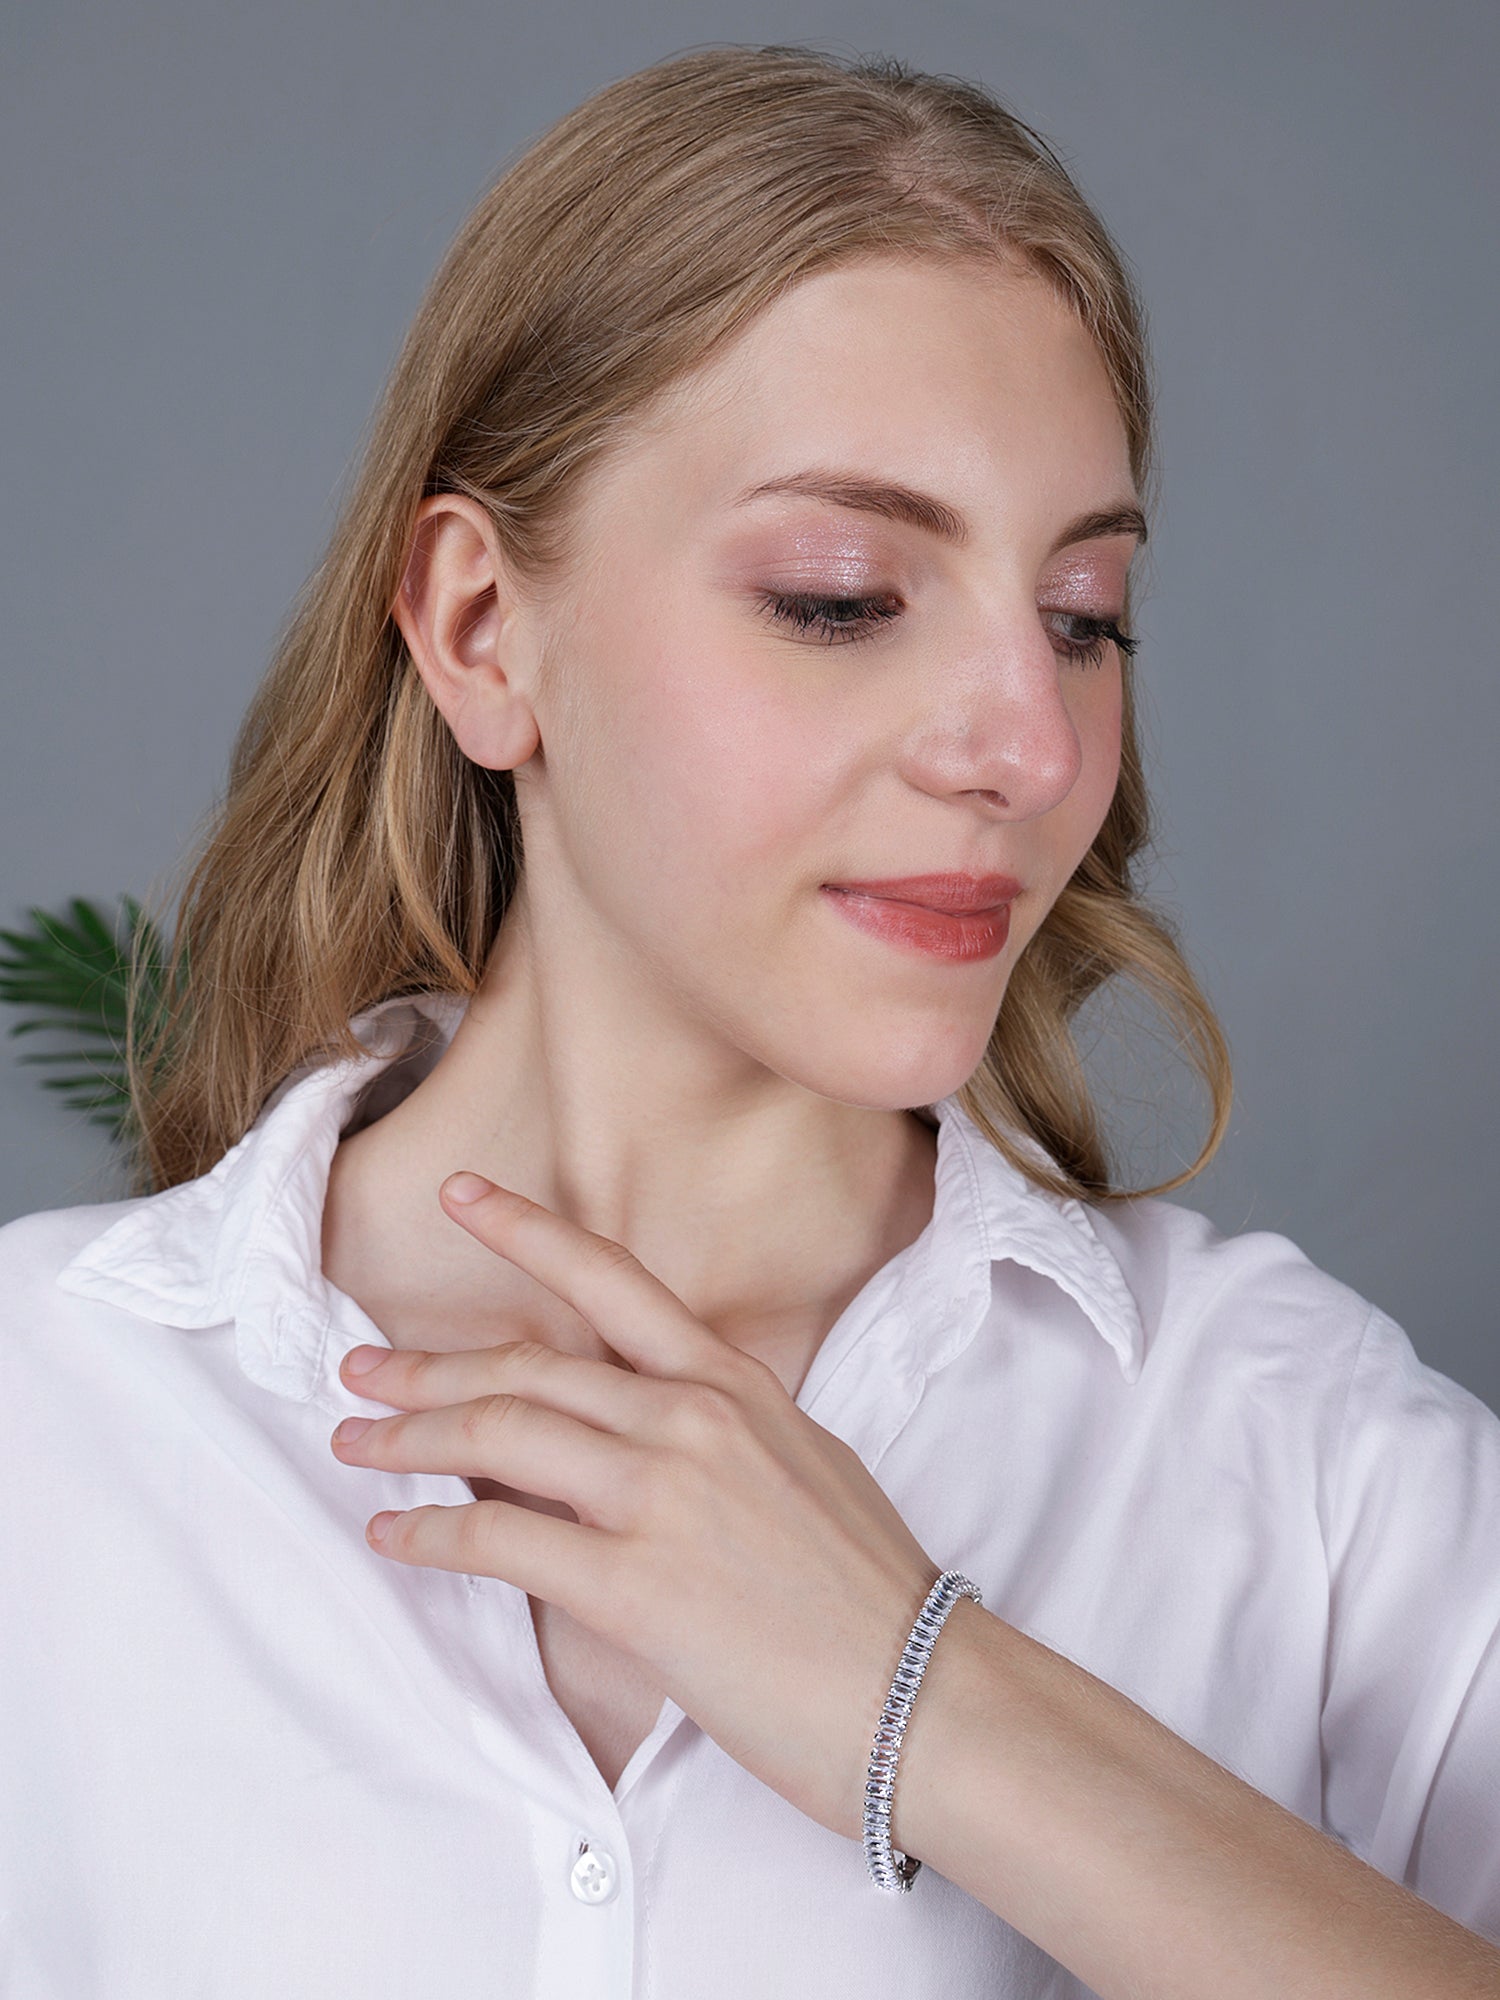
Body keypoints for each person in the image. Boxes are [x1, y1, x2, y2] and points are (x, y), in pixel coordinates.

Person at [3, 41, 1498, 2000]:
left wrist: (925, 1697)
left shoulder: (1299, 1457)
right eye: (843, 593)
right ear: (479, 631)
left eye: (1084, 614)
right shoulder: (51, 1428)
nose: (1030, 748)